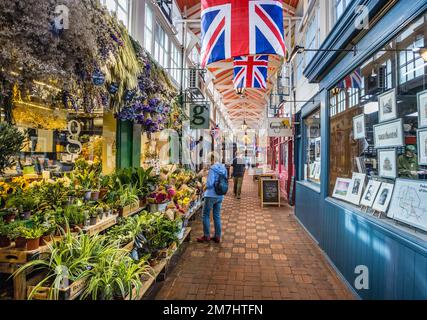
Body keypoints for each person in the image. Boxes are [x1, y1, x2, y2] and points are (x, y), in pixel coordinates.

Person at [197, 162, 228, 244]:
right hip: (220, 195)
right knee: (217, 215)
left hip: (210, 195)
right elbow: (225, 179)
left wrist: (204, 185)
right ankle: (217, 236)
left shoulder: (212, 169)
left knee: (205, 215)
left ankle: (206, 236)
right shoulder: (223, 168)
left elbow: (210, 184)